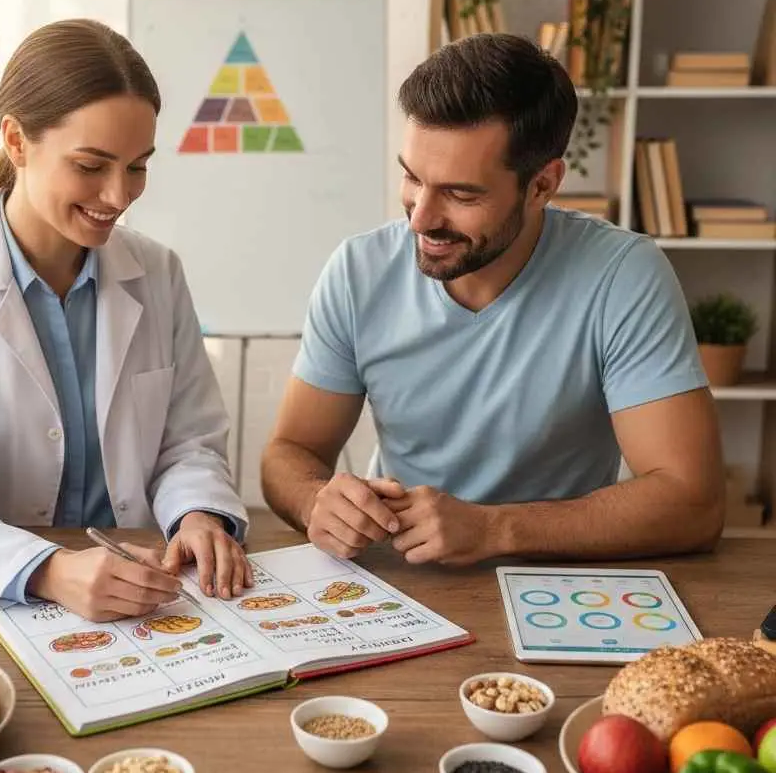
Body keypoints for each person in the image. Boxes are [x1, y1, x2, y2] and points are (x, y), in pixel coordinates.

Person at [261, 32, 725, 567]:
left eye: (461, 194)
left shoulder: (623, 276)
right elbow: (288, 453)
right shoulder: (357, 272)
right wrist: (316, 499)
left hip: (560, 581)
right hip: (405, 584)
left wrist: (492, 528)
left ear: (542, 185)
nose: (420, 218)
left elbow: (694, 502)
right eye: (412, 177)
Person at [0, 19, 253, 620]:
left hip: (144, 594)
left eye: (138, 166)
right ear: (16, 140)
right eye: (91, 166)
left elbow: (188, 440)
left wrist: (196, 513)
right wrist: (45, 569)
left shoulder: (158, 273)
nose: (118, 195)